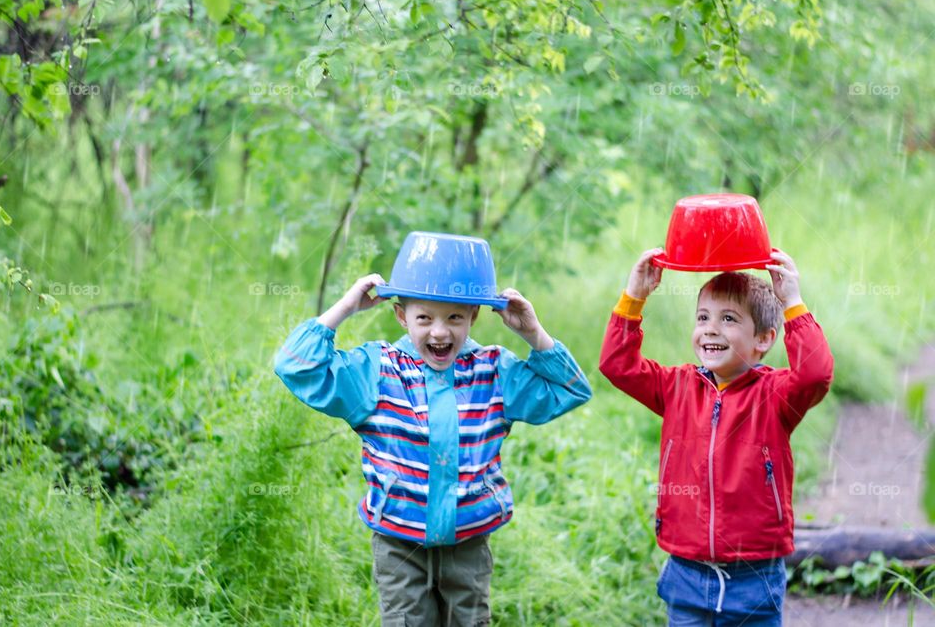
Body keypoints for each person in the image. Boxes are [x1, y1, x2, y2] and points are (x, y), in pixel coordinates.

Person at [275, 268, 592, 627]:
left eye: (455, 317)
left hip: (468, 542)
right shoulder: (377, 371)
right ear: (401, 316)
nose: (439, 332)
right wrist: (345, 308)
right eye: (423, 318)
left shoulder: (493, 371)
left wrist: (534, 334)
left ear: (474, 316)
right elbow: (294, 366)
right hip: (399, 543)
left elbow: (572, 390)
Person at [599, 249, 833, 626]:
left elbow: (815, 374)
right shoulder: (676, 386)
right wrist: (634, 297)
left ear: (763, 339)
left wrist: (792, 302)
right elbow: (617, 364)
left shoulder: (774, 396)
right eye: (703, 317)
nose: (710, 328)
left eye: (728, 319)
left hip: (753, 577)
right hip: (685, 573)